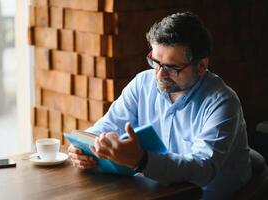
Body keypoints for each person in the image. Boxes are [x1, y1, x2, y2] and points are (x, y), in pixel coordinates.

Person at [67, 12, 251, 199]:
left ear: (201, 65)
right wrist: (85, 146)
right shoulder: (142, 83)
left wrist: (141, 160)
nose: (159, 75)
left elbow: (202, 168)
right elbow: (108, 125)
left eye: (171, 67)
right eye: (155, 62)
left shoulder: (223, 102)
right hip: (157, 191)